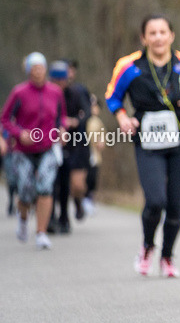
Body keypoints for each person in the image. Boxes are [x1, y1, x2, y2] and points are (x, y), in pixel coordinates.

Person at [107, 15, 180, 277]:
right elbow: (112, 96)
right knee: (155, 201)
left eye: (163, 32)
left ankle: (168, 257)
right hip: (148, 141)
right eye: (152, 33)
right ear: (144, 38)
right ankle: (148, 246)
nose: (158, 38)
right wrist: (122, 118)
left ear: (171, 36)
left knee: (175, 204)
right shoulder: (129, 66)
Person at [1, 52, 66, 249]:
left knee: (45, 188)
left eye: (41, 68)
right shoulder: (19, 93)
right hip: (23, 150)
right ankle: (22, 219)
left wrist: (62, 130)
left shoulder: (55, 92)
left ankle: (41, 233)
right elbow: (5, 119)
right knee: (26, 191)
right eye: (34, 68)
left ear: (46, 70)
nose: (38, 72)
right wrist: (19, 133)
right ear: (28, 71)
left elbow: (61, 117)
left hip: (48, 147)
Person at [48, 60, 91, 233]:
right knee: (52, 183)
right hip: (50, 142)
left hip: (73, 142)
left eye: (62, 80)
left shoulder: (76, 92)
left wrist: (75, 121)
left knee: (68, 183)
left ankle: (65, 217)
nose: (60, 83)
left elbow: (87, 112)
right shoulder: (47, 93)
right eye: (56, 80)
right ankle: (50, 218)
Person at [83, 94, 104, 216]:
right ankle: (81, 200)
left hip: (94, 154)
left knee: (92, 178)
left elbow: (103, 135)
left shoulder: (97, 121)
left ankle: (89, 200)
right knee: (83, 178)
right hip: (82, 153)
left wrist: (101, 141)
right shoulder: (83, 118)